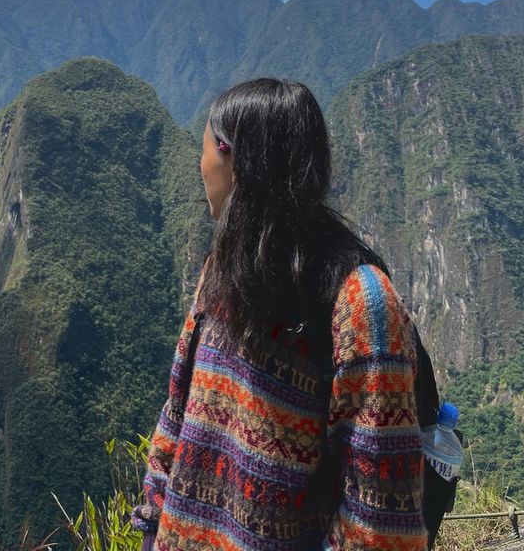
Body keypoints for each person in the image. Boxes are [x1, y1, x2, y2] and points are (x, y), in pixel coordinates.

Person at [131, 77, 428, 551]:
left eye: (205, 147)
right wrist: (152, 524)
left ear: (232, 160)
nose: (199, 164)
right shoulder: (222, 270)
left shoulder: (360, 303)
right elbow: (178, 410)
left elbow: (380, 520)